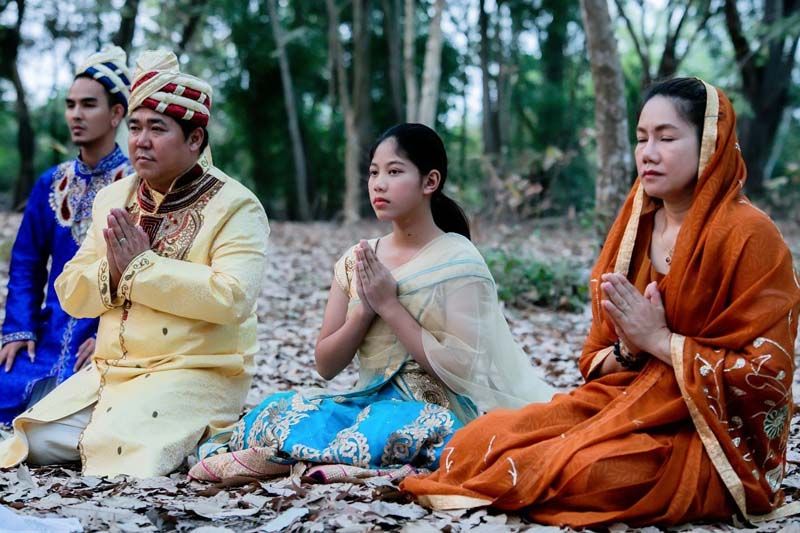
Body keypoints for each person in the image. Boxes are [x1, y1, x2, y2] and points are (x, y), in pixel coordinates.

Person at [401, 78, 800, 527]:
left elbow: (768, 377)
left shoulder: (750, 236)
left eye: (667, 138)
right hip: (620, 400)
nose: (648, 153)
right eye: (641, 138)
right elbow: (596, 360)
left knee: (586, 472)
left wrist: (660, 340)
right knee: (476, 442)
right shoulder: (636, 226)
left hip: (707, 435)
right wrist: (631, 347)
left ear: (711, 142)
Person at [188, 123, 555, 482]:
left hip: (434, 412)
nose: (378, 183)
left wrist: (390, 306)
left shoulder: (458, 261)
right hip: (366, 403)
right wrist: (363, 312)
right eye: (374, 172)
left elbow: (460, 367)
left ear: (430, 181)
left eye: (394, 171)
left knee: (395, 428)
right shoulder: (357, 260)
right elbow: (326, 365)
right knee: (274, 412)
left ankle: (318, 458)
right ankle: (324, 457)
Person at [0, 49, 270, 477]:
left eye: (157, 129)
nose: (141, 140)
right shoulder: (116, 197)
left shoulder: (237, 205)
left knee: (127, 454)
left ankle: (199, 433)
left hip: (191, 371)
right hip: (112, 371)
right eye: (136, 127)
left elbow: (233, 297)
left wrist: (142, 268)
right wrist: (114, 270)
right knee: (32, 440)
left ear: (195, 139)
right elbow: (70, 290)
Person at [0, 46, 132, 424]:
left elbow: (144, 276)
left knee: (96, 403)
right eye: (70, 104)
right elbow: (26, 264)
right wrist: (19, 329)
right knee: (10, 382)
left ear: (116, 114)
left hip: (104, 339)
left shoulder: (137, 187)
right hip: (49, 333)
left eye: (89, 105)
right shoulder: (51, 183)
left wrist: (112, 337)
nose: (76, 114)